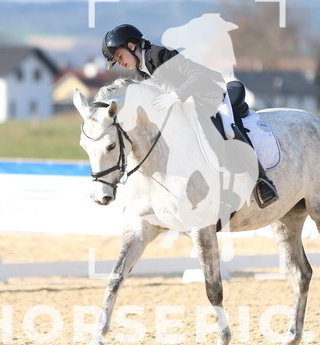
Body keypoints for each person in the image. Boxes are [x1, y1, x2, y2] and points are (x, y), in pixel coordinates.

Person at [102, 23, 279, 208]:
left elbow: (196, 75)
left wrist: (174, 95)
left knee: (228, 131)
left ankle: (262, 181)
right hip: (187, 105)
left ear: (131, 45)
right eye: (116, 60)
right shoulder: (141, 68)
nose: (120, 63)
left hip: (211, 94)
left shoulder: (160, 54)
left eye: (119, 57)